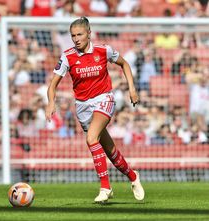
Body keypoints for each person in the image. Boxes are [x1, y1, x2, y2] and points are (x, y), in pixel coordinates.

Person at [45, 17, 144, 203]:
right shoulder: (67, 57)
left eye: (79, 34)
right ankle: (133, 176)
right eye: (73, 35)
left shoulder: (103, 50)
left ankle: (105, 187)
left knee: (91, 139)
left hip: (104, 99)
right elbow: (52, 85)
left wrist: (132, 89)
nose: (76, 39)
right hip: (83, 106)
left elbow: (124, 64)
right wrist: (51, 102)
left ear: (89, 33)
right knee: (109, 150)